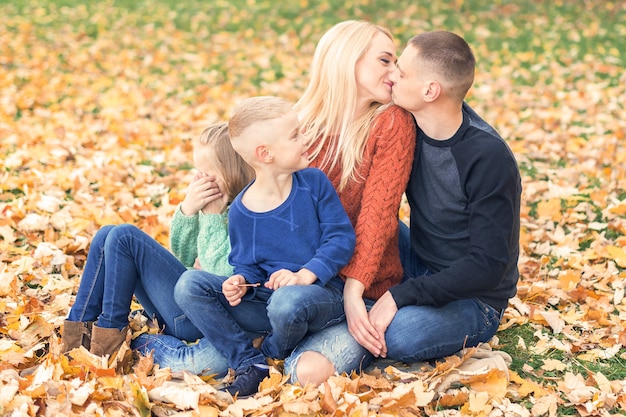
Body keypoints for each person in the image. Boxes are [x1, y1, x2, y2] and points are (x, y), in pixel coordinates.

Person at [136, 20, 416, 390]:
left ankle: (266, 350)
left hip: (341, 287)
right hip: (276, 287)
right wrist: (238, 274)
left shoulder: (390, 122)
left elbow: (377, 220)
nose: (395, 73)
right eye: (385, 60)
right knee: (200, 322)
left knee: (279, 364)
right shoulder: (300, 126)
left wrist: (349, 293)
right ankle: (234, 354)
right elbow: (257, 197)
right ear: (347, 61)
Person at [289, 31, 522, 384]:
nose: (393, 74)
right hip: (419, 260)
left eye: (402, 70)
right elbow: (375, 212)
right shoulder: (407, 122)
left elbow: (488, 267)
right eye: (391, 63)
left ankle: (347, 328)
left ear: (430, 91)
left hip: (474, 296)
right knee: (364, 234)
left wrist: (400, 296)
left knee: (400, 334)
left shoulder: (486, 157)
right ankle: (353, 311)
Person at [172, 95, 356, 397]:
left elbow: (341, 238)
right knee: (189, 284)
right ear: (265, 153)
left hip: (320, 296)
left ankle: (273, 351)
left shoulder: (313, 183)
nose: (305, 138)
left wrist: (303, 276)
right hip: (267, 301)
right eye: (295, 135)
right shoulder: (242, 210)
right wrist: (240, 281)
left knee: (287, 302)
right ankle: (250, 362)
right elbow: (247, 264)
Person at [61, 122, 254, 363]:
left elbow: (219, 276)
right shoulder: (214, 206)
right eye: (197, 171)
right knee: (106, 234)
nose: (199, 179)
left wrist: (212, 217)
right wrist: (188, 211)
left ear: (231, 172)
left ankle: (109, 345)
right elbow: (182, 256)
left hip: (202, 316)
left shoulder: (245, 213)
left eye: (207, 173)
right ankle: (76, 339)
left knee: (125, 237)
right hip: (180, 306)